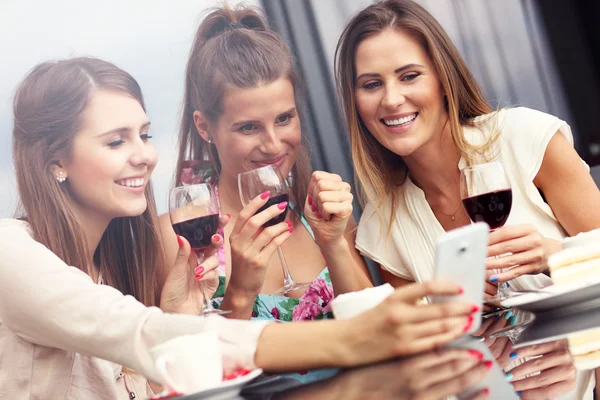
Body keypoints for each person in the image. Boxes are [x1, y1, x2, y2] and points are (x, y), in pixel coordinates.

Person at [0, 56, 485, 399]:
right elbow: (145, 334)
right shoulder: (9, 251)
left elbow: (166, 371)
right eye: (115, 141)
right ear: (55, 160)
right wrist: (356, 339)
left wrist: (184, 314)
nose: (145, 155)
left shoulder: (106, 268)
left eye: (144, 135)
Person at [334, 0, 600, 398]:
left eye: (409, 76)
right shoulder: (382, 227)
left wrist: (554, 256)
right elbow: (425, 372)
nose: (391, 99)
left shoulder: (524, 140)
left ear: (442, 77)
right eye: (371, 84)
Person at [158, 4, 372, 322]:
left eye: (284, 118)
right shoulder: (180, 238)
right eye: (249, 127)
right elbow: (193, 363)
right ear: (205, 127)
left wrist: (333, 243)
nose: (273, 144)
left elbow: (375, 323)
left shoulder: (322, 208)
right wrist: (240, 293)